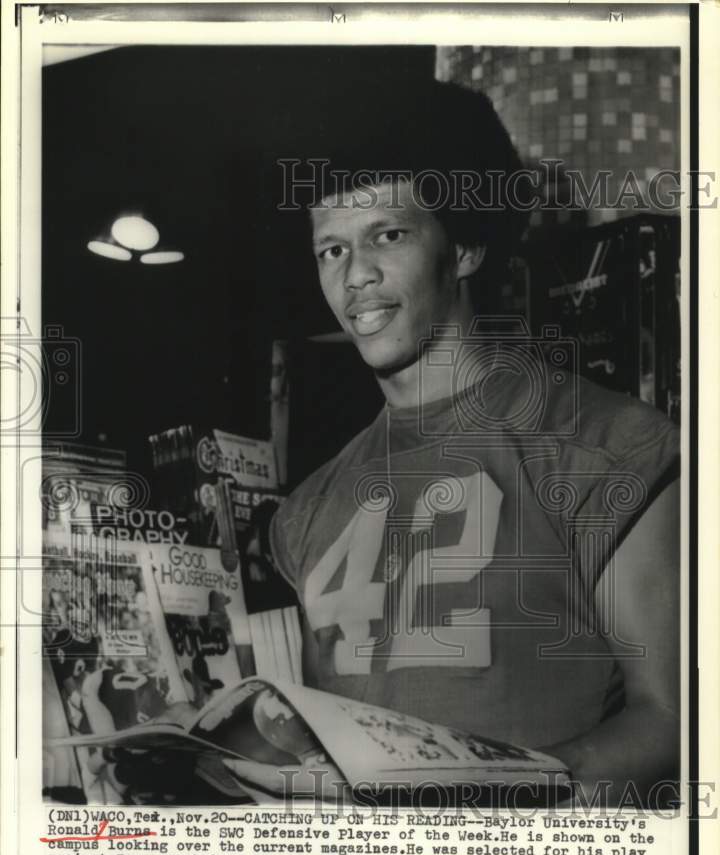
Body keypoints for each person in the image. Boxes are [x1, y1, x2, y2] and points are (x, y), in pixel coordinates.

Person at [235, 80, 680, 806]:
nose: (357, 278)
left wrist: (487, 804)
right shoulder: (307, 511)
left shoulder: (606, 446)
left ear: (466, 245)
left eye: (388, 234)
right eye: (331, 250)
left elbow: (670, 719)